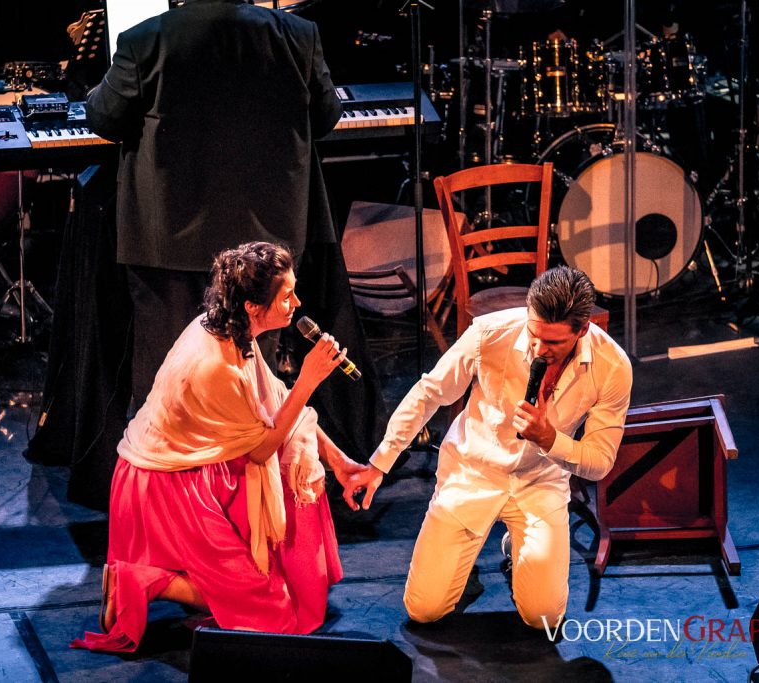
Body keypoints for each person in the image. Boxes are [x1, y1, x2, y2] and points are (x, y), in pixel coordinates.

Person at [71, 241, 365, 653]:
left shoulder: (235, 331)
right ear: (252, 306)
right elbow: (263, 448)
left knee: (297, 465)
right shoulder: (216, 366)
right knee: (274, 612)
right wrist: (310, 380)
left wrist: (338, 461)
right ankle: (136, 581)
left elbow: (278, 405)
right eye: (286, 296)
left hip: (199, 468)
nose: (297, 303)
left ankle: (221, 585)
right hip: (164, 485)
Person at [84, 0, 343, 407]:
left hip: (168, 240)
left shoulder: (145, 40)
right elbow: (326, 117)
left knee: (166, 378)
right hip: (263, 246)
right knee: (256, 376)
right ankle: (252, 467)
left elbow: (103, 118)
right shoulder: (298, 36)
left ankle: (171, 468)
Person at [345, 266, 632, 630]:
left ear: (582, 329)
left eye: (553, 343)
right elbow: (429, 392)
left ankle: (518, 548)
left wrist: (549, 439)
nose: (539, 350)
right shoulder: (489, 333)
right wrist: (380, 463)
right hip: (473, 473)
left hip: (539, 482)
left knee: (544, 617)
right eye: (534, 335)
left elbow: (600, 462)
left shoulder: (612, 367)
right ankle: (460, 564)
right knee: (423, 609)